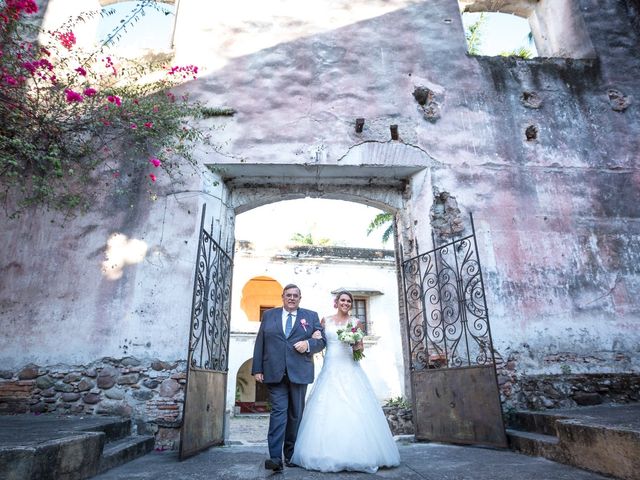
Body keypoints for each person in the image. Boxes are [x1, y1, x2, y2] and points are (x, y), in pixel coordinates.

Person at [291, 290, 401, 473]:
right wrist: (314, 340)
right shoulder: (326, 320)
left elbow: (359, 352)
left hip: (350, 368)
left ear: (351, 303)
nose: (346, 303)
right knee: (326, 409)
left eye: (348, 301)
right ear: (336, 302)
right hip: (329, 368)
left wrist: (354, 343)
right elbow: (319, 341)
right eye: (342, 300)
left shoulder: (356, 322)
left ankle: (360, 453)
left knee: (355, 407)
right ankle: (324, 453)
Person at [251, 283, 326, 472]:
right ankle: (275, 457)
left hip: (299, 372)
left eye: (295, 295)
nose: (292, 298)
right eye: (288, 295)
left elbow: (321, 341)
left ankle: (290, 454)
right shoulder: (269, 315)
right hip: (274, 372)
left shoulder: (311, 316)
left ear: (300, 298)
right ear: (282, 297)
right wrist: (257, 368)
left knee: (295, 414)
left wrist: (308, 344)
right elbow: (261, 341)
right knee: (278, 413)